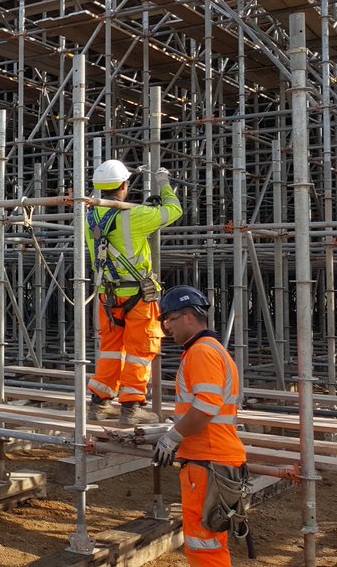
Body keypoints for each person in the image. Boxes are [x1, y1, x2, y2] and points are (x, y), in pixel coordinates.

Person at [153, 285, 248, 566]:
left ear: (189, 318)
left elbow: (206, 408)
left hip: (208, 460)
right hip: (214, 456)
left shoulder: (201, 352)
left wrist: (173, 436)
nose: (166, 326)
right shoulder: (210, 349)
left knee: (204, 543)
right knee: (209, 538)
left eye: (169, 319)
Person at [86, 159, 183, 425]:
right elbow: (173, 211)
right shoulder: (134, 215)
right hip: (138, 295)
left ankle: (100, 402)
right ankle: (132, 406)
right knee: (141, 350)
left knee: (111, 349)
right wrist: (164, 184)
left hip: (108, 295)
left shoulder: (90, 217)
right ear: (124, 185)